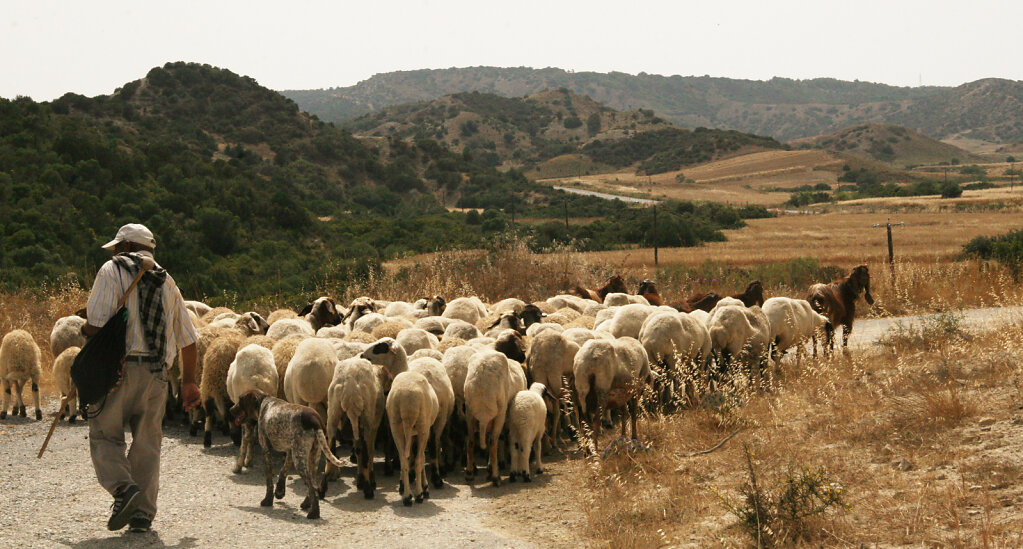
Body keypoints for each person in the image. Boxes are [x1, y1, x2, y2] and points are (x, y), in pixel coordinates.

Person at [82, 223, 200, 533]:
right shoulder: (167, 281)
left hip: (117, 371)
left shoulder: (111, 271)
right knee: (148, 441)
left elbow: (95, 325)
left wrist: (86, 340)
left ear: (123, 247)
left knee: (105, 434)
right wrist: (189, 382)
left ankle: (124, 489)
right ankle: (143, 514)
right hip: (157, 374)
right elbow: (188, 338)